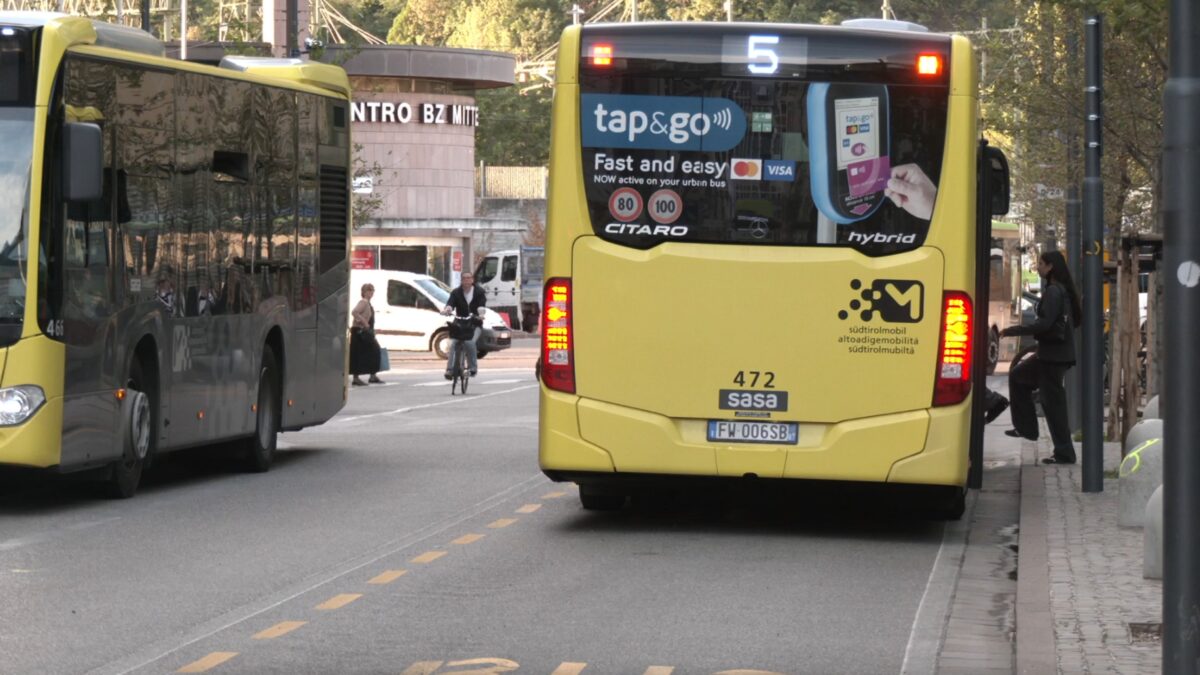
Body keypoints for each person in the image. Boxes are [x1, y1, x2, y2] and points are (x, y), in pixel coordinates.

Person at [1000, 250, 1083, 464]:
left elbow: (1045, 324)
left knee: (1053, 404)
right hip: (1052, 354)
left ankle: (1064, 453)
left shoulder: (1055, 292)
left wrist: (1013, 331)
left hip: (1053, 357)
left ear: (1050, 267)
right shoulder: (1059, 290)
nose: (1037, 267)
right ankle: (1026, 428)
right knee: (1019, 376)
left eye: (1041, 264)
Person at [441, 272, 486, 380]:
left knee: (469, 342)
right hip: (460, 323)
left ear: (472, 280)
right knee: (453, 344)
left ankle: (472, 369)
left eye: (469, 278)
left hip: (474, 323)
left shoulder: (479, 292)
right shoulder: (456, 292)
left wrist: (480, 314)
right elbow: (450, 303)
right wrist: (448, 309)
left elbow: (482, 304)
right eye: (464, 278)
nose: (466, 280)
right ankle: (450, 370)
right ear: (461, 280)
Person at [350, 283, 383, 386]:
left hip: (365, 332)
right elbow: (355, 312)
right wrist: (364, 323)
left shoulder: (368, 303)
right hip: (360, 332)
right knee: (360, 353)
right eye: (368, 291)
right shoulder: (363, 302)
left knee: (373, 352)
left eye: (372, 290)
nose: (371, 293)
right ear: (363, 292)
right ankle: (357, 378)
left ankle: (372, 375)